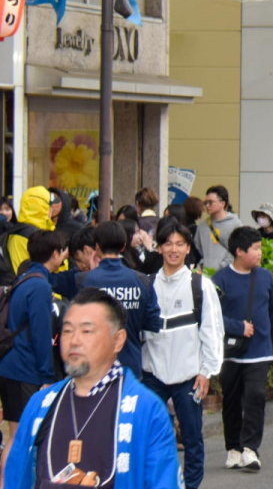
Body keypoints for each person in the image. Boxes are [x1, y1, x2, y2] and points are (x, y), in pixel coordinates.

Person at [0, 288, 195, 489]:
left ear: (118, 340)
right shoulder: (41, 404)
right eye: (67, 331)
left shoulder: (144, 409)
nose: (74, 341)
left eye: (87, 331)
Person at [143, 221, 224, 489]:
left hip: (190, 374)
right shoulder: (148, 283)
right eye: (168, 243)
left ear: (188, 248)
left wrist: (207, 371)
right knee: (150, 435)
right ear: (159, 247)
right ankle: (156, 488)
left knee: (191, 435)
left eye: (179, 244)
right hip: (152, 374)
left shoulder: (199, 284)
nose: (173, 249)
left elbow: (213, 331)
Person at [213, 227, 273, 472]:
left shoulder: (265, 277)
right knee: (231, 401)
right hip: (231, 353)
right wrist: (237, 327)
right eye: (255, 248)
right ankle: (233, 448)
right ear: (239, 251)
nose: (260, 253)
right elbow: (212, 316)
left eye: (260, 247)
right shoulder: (220, 280)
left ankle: (251, 449)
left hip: (261, 350)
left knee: (255, 398)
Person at [0, 230, 66, 441]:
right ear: (55, 253)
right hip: (25, 370)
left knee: (15, 435)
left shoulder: (24, 278)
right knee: (23, 438)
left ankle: (5, 476)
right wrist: (47, 376)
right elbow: (41, 334)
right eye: (63, 251)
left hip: (11, 365)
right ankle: (9, 476)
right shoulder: (40, 286)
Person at [80, 221, 163, 378]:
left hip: (94, 366)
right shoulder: (141, 281)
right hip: (130, 366)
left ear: (96, 247)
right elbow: (154, 323)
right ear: (124, 246)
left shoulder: (84, 281)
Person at [2, 187, 58, 285]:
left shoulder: (23, 231)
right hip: (37, 291)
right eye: (50, 205)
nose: (52, 209)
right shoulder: (26, 235)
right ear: (44, 207)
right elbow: (22, 272)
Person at [196, 185, 242, 271]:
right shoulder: (202, 226)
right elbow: (198, 247)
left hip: (227, 271)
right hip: (206, 273)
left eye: (210, 202)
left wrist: (223, 265)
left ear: (222, 204)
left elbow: (238, 248)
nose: (207, 206)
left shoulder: (235, 224)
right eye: (205, 202)